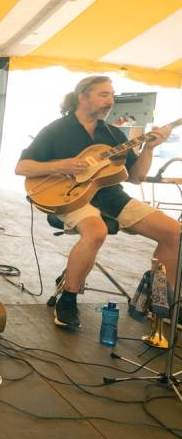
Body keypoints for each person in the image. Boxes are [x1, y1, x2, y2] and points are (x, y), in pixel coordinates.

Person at [15, 75, 179, 329]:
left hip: (112, 196)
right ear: (83, 96)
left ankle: (157, 303)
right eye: (104, 95)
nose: (110, 101)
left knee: (174, 233)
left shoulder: (114, 134)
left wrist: (149, 149)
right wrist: (63, 165)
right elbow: (22, 167)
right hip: (72, 197)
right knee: (96, 231)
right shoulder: (57, 129)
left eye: (112, 95)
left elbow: (135, 178)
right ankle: (68, 299)